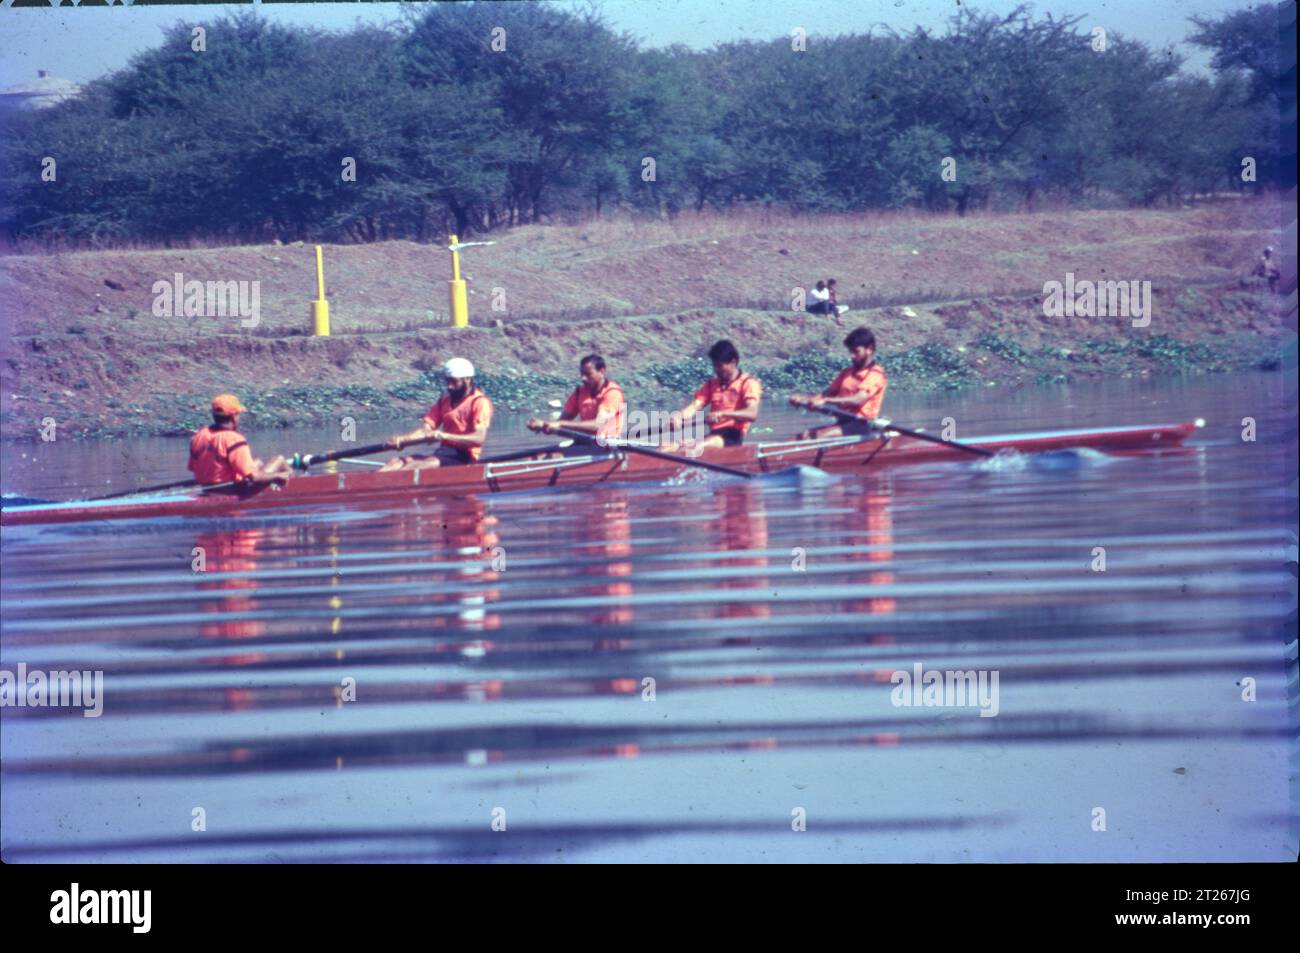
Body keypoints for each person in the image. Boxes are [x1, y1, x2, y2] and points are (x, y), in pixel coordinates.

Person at [381, 357, 492, 470]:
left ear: (467, 379)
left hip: (465, 457)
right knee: (396, 462)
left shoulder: (479, 402)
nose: (449, 386)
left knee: (418, 466)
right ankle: (371, 483)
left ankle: (395, 483)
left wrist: (444, 435)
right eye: (448, 381)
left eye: (454, 381)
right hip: (444, 452)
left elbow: (479, 438)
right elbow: (426, 431)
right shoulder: (444, 401)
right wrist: (401, 440)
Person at [664, 339, 762, 454]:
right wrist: (678, 417)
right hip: (713, 435)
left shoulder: (748, 383)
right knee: (666, 447)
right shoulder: (711, 385)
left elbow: (752, 414)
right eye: (715, 365)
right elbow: (695, 406)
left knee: (692, 449)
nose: (717, 370)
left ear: (733, 362)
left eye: (720, 366)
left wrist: (723, 414)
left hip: (731, 437)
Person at [789, 326, 887, 439]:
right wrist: (804, 400)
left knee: (819, 436)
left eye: (856, 352)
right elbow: (826, 394)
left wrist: (825, 400)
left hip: (863, 424)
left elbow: (858, 400)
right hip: (844, 421)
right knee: (804, 435)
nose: (852, 356)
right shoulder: (847, 372)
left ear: (869, 349)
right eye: (851, 352)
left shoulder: (875, 374)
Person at [188, 394, 289, 486]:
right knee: (279, 460)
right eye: (238, 415)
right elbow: (253, 477)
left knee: (258, 463)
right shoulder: (234, 439)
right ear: (233, 417)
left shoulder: (199, 436)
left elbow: (193, 468)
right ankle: (295, 488)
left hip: (207, 487)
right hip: (231, 491)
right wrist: (278, 476)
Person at [528, 354, 626, 443]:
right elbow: (561, 421)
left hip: (608, 444)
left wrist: (561, 424)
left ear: (601, 371)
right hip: (586, 441)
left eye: (588, 374)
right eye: (582, 374)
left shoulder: (612, 393)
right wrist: (544, 425)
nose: (583, 378)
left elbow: (598, 425)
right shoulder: (579, 392)